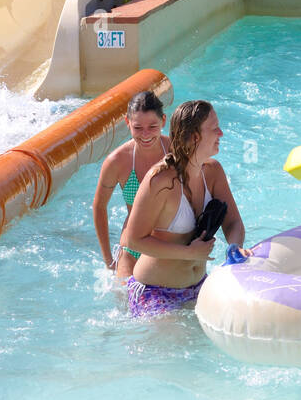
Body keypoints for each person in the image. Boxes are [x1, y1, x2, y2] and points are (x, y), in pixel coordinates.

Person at [122, 99, 246, 317]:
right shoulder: (159, 181)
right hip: (155, 292)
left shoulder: (213, 172)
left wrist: (234, 248)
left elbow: (233, 222)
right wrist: (188, 253)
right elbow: (132, 240)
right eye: (214, 128)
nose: (221, 133)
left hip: (199, 286)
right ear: (195, 136)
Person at [92, 91, 171, 281]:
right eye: (137, 127)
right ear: (127, 123)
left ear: (163, 121)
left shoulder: (176, 151)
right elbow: (99, 206)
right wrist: (108, 260)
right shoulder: (117, 161)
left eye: (152, 126)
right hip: (133, 245)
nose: (145, 135)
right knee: (124, 302)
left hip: (172, 242)